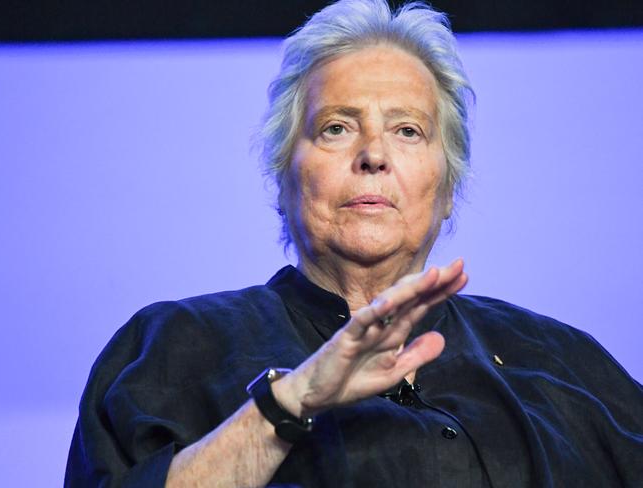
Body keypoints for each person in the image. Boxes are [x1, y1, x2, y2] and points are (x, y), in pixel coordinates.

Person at [65, 0, 643, 486]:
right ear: (283, 173)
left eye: (407, 130)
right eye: (336, 127)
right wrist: (290, 402)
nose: (373, 155)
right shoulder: (172, 347)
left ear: (447, 187)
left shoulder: (566, 365)